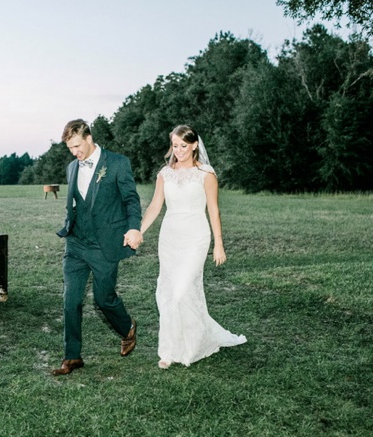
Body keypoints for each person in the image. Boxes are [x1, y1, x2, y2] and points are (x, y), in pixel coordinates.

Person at [140, 124, 246, 369]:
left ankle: (195, 344)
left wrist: (219, 245)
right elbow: (156, 206)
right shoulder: (164, 173)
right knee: (168, 293)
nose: (178, 151)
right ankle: (168, 350)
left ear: (195, 144)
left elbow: (214, 210)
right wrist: (139, 231)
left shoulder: (206, 174)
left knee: (182, 291)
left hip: (196, 237)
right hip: (169, 237)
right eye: (175, 146)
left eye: (183, 146)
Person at [53, 119, 143, 375]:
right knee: (71, 301)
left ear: (89, 138)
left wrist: (134, 227)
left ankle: (127, 328)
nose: (74, 152)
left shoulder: (117, 163)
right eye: (70, 148)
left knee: (104, 299)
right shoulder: (72, 167)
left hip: (104, 245)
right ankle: (72, 357)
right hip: (76, 244)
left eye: (77, 146)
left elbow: (131, 200)